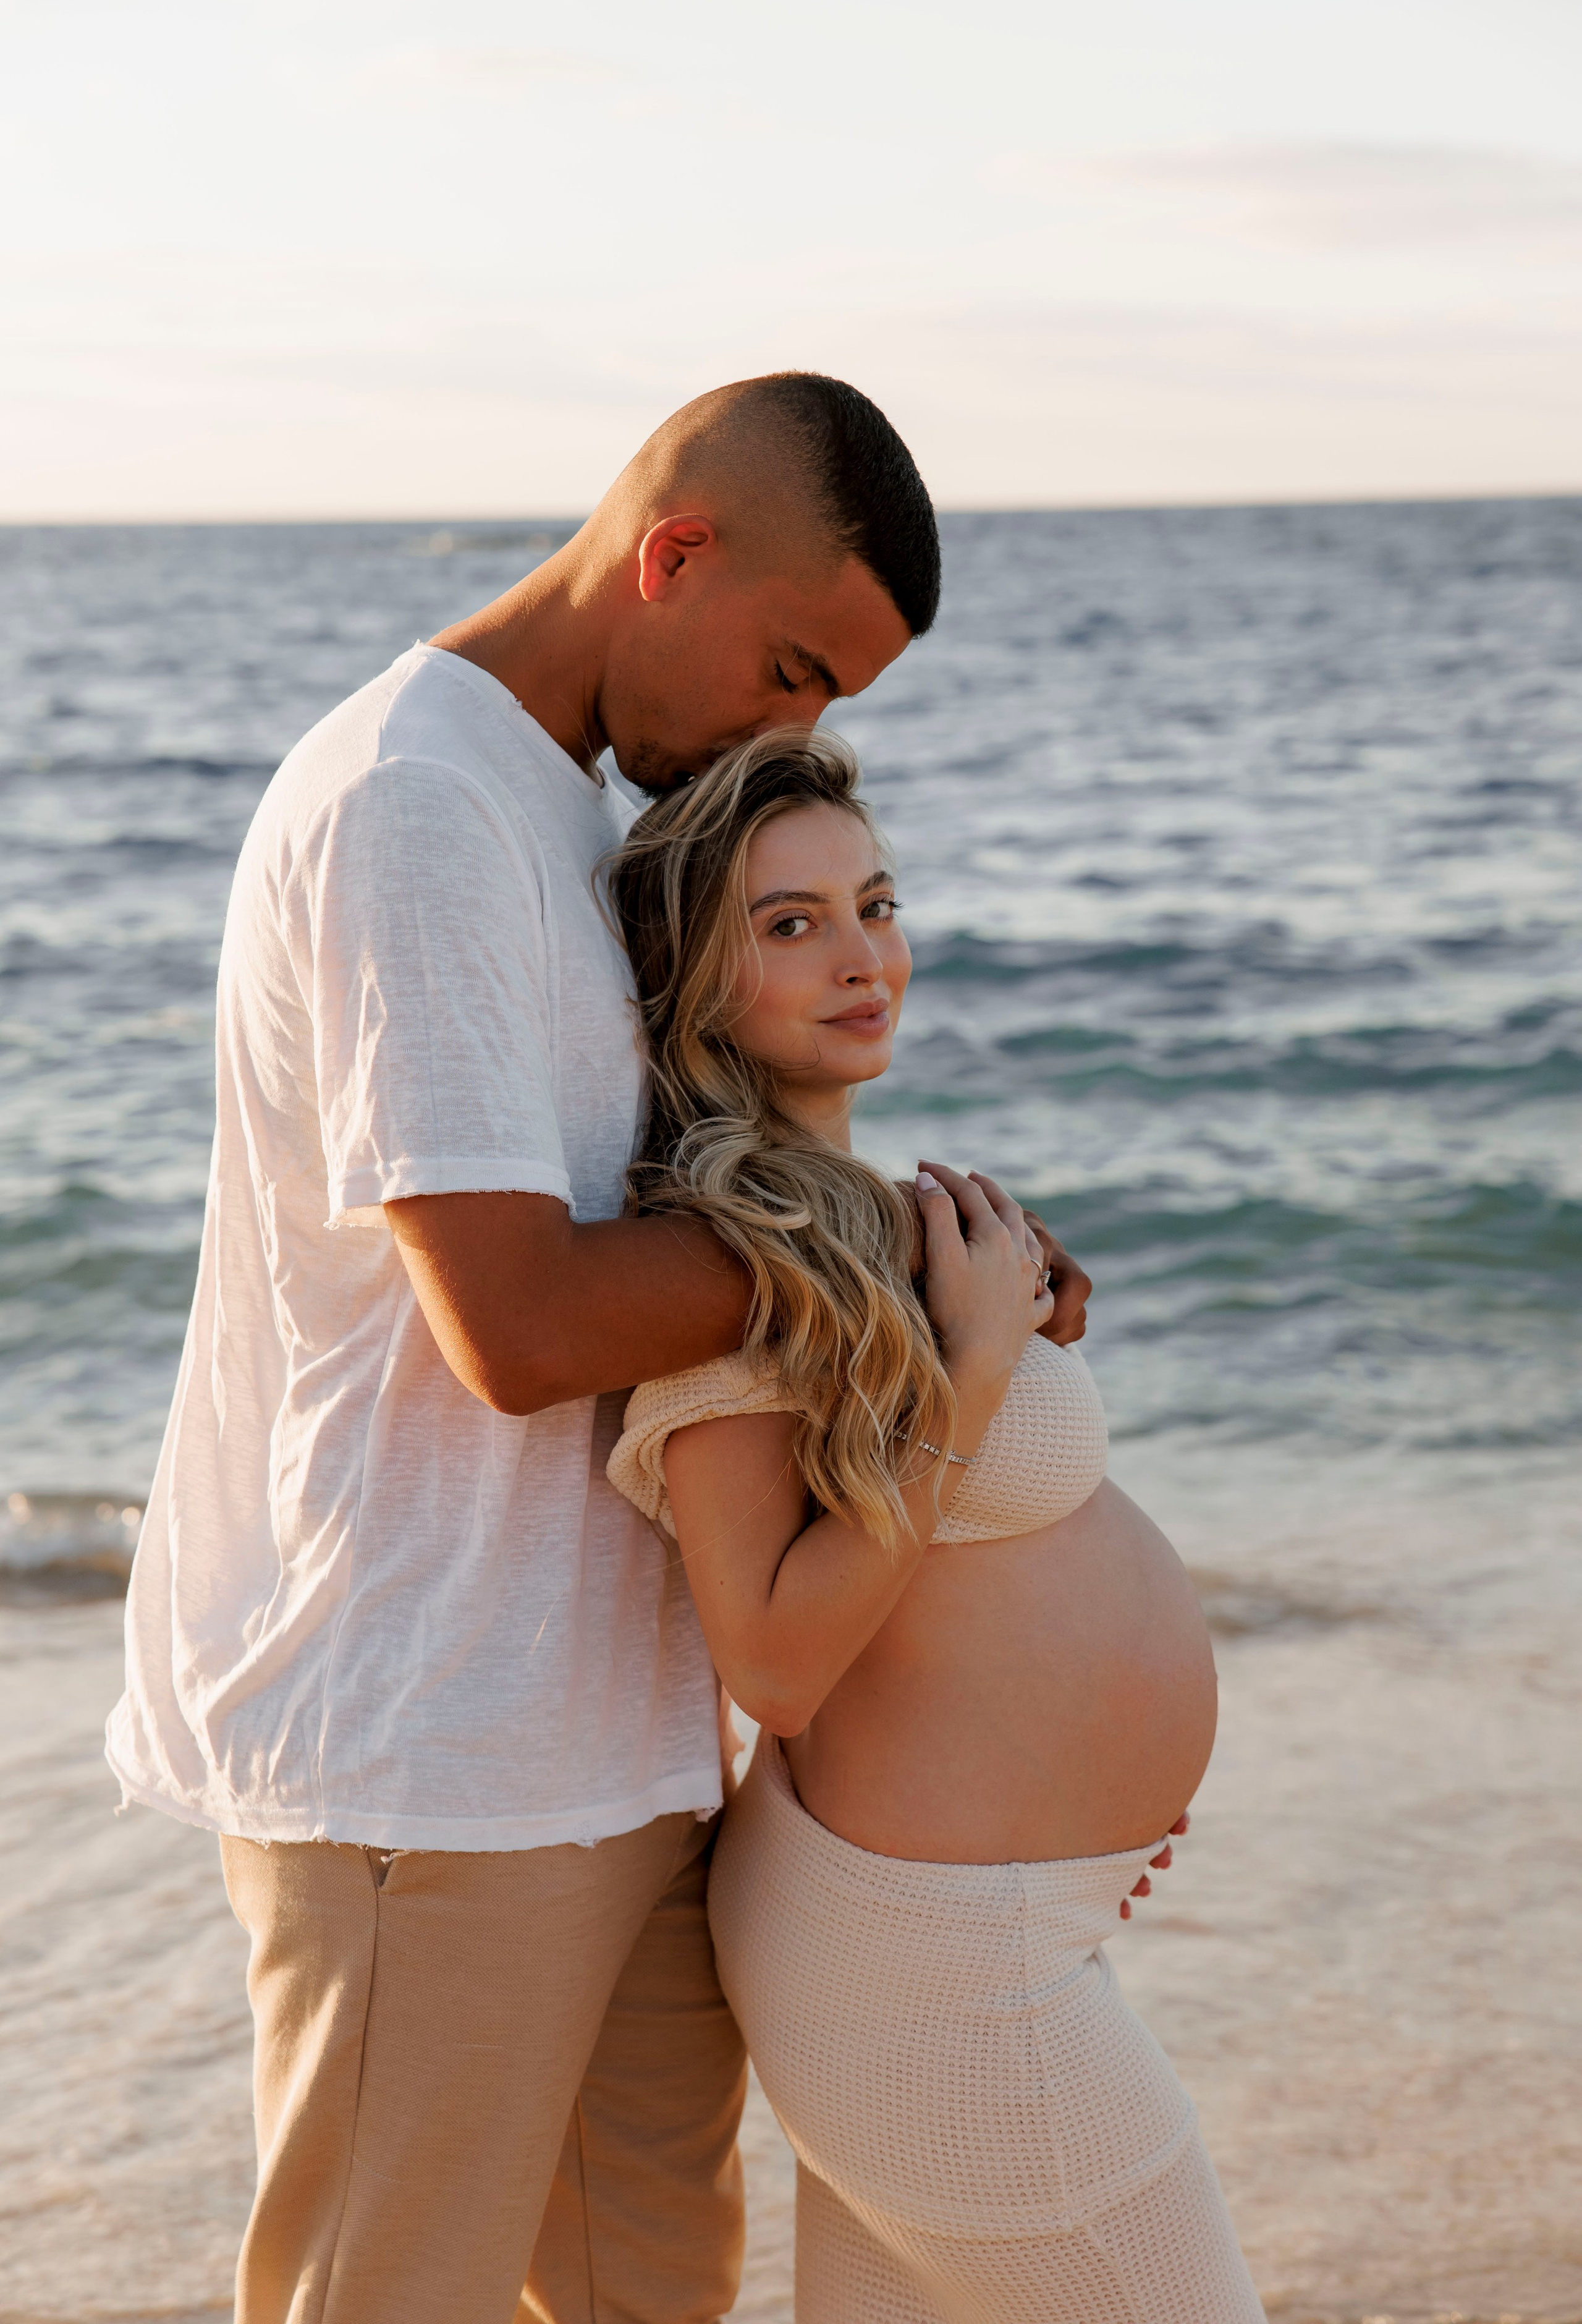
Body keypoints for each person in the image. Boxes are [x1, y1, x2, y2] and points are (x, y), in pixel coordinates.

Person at [104, 370, 1093, 2324]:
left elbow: (693, 1217)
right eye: (791, 666)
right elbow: (523, 1318)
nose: (790, 731)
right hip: (425, 1758)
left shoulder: (565, 819)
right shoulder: (418, 803)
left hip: (613, 1745)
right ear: (674, 553)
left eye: (835, 708)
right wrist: (886, 1252)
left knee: (652, 2294)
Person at [603, 729, 1266, 2323]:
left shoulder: (851, 1215)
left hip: (956, 1937)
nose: (861, 954)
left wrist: (1071, 1831)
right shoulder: (726, 1255)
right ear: (695, 987)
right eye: (790, 923)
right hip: (936, 1977)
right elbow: (773, 1656)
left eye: (875, 902)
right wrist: (970, 1376)